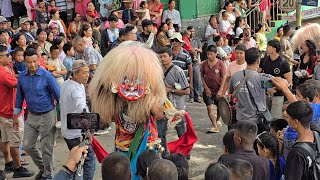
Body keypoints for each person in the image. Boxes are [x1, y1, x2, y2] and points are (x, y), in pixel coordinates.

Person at [89, 42, 167, 180]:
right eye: (126, 78)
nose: (131, 83)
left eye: (135, 78)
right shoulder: (115, 99)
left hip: (146, 148)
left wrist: (147, 100)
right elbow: (107, 118)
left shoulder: (151, 99)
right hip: (123, 149)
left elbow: (161, 114)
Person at [13, 47, 60, 180]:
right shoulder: (22, 77)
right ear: (25, 61)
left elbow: (59, 95)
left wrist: (66, 116)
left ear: (38, 60)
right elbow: (19, 98)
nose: (32, 65)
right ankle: (44, 168)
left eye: (34, 61)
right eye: (29, 62)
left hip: (48, 115)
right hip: (32, 116)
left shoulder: (47, 76)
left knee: (46, 148)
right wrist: (16, 116)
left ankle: (48, 175)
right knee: (27, 145)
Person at [0, 45, 35, 178]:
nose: (9, 57)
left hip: (4, 111)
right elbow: (17, 83)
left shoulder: (6, 68)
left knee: (6, 139)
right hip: (10, 112)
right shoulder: (3, 72)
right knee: (15, 141)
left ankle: (9, 163)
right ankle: (17, 168)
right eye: (6, 55)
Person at [60, 60, 96, 180]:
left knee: (77, 161)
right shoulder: (75, 90)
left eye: (88, 72)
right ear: (75, 74)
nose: (88, 75)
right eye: (84, 73)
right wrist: (90, 128)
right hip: (76, 133)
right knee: (88, 161)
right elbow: (82, 107)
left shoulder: (68, 83)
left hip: (68, 128)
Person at [229, 47, 270, 132]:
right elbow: (280, 85)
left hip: (240, 119)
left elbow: (231, 93)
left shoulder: (235, 76)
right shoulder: (261, 78)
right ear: (258, 61)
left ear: (246, 59)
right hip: (256, 121)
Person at [157, 47, 190, 154]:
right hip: (162, 107)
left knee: (181, 133)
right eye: (160, 57)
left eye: (165, 56)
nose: (162, 59)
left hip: (177, 108)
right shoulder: (157, 70)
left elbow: (187, 91)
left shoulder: (178, 71)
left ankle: (185, 153)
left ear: (171, 57)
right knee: (161, 133)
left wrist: (170, 90)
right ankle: (165, 155)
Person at [284, 101, 318, 180]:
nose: (287, 121)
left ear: (296, 122)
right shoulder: (317, 134)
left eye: (288, 118)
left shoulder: (297, 153)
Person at [258, 40, 292, 119]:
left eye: (268, 46)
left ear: (273, 48)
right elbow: (258, 74)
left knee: (275, 118)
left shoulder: (283, 63)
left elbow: (289, 80)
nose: (266, 48)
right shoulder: (264, 60)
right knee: (264, 116)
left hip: (278, 94)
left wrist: (275, 89)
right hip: (265, 93)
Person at [201, 45, 226, 133]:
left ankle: (217, 119)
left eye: (211, 54)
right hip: (208, 90)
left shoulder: (220, 64)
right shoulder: (204, 64)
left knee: (219, 107)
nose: (209, 56)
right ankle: (215, 126)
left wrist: (221, 90)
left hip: (218, 89)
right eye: (208, 54)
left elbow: (224, 77)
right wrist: (206, 88)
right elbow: (202, 76)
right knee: (209, 108)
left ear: (216, 54)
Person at [187, 26, 203, 103]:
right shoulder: (186, 40)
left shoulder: (197, 40)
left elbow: (201, 50)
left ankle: (198, 96)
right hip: (188, 61)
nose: (192, 33)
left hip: (195, 62)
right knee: (190, 79)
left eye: (193, 31)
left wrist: (196, 49)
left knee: (197, 79)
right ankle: (191, 96)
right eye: (190, 31)